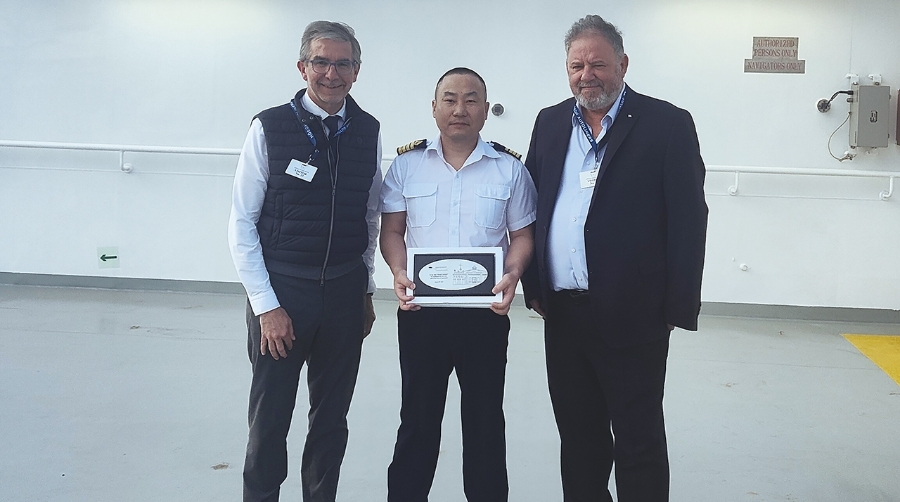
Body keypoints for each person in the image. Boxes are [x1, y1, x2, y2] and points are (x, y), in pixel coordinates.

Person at [520, 15, 708, 502]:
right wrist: (535, 288)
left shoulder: (667, 124)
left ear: (623, 64)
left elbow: (689, 220)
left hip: (636, 316)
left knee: (637, 438)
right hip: (563, 313)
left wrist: (676, 309)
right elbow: (533, 206)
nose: (588, 75)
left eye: (599, 64)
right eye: (577, 65)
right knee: (578, 438)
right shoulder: (550, 121)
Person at [227, 20, 382, 502]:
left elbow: (370, 217)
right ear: (302, 67)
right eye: (321, 62)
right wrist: (265, 307)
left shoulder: (369, 130)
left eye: (342, 63)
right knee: (270, 418)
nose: (331, 73)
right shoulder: (269, 126)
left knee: (331, 419)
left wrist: (365, 290)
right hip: (283, 295)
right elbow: (240, 224)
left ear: (357, 71)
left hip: (342, 294)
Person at [380, 67, 537, 502]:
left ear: (486, 111)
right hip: (421, 315)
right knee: (417, 421)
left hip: (485, 316)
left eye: (471, 100)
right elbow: (391, 231)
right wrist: (397, 272)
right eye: (449, 99)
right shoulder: (406, 167)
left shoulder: (509, 170)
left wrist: (513, 274)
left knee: (485, 422)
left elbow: (523, 236)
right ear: (434, 109)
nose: (459, 109)